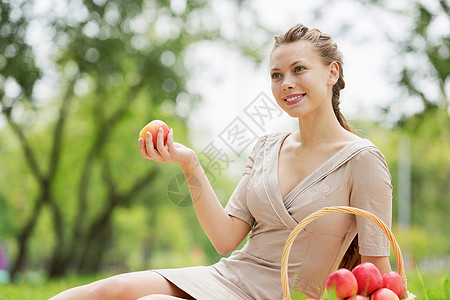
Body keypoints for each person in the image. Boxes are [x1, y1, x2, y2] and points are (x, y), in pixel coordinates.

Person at [50, 23, 393, 300]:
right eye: (276, 75)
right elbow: (226, 239)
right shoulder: (267, 147)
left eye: (298, 69)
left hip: (285, 296)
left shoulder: (362, 160)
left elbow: (377, 274)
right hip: (227, 278)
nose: (286, 83)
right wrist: (189, 163)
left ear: (332, 73)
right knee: (107, 291)